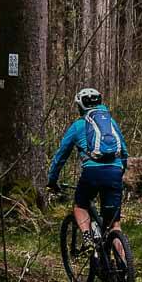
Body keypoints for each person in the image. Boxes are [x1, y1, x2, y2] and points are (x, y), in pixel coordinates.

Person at [47, 88, 128, 249]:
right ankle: (124, 263)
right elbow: (124, 152)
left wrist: (52, 180)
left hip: (92, 173)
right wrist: (119, 172)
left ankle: (88, 239)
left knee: (80, 205)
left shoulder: (78, 125)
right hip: (115, 172)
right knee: (114, 224)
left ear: (81, 106)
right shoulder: (111, 123)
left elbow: (61, 155)